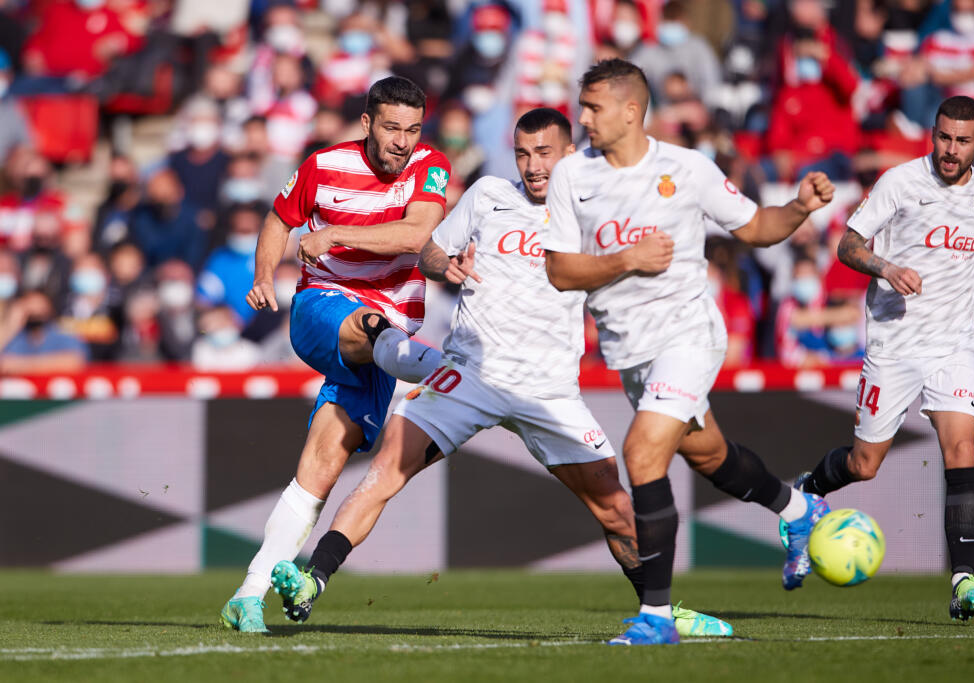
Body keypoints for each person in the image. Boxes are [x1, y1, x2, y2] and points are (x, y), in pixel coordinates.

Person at [264, 107, 733, 638]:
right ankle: (312, 579)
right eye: (523, 154)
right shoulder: (489, 194)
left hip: (548, 388)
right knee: (383, 473)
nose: (533, 167)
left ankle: (661, 612)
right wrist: (445, 265)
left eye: (545, 153)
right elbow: (430, 252)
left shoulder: (596, 214)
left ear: (570, 153)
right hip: (469, 373)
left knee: (617, 510)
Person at [541, 59, 836, 646]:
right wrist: (626, 259)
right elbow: (558, 270)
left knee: (643, 454)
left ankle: (655, 618)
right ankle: (800, 511)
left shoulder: (686, 168)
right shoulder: (571, 175)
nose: (583, 118)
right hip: (630, 351)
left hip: (689, 335)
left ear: (631, 111)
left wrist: (800, 208)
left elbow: (754, 227)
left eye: (594, 108)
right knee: (709, 455)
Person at [219, 76, 451, 633]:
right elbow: (280, 217)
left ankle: (246, 595)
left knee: (320, 469)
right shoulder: (323, 165)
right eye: (391, 127)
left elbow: (415, 234)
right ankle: (449, 371)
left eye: (413, 129)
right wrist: (263, 275)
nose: (402, 141)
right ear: (368, 124)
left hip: (382, 343)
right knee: (375, 328)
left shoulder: (430, 165)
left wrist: (335, 233)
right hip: (324, 309)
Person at [789, 96, 974, 622]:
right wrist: (886, 268)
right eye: (943, 137)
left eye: (961, 141)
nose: (950, 150)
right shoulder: (899, 182)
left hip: (954, 341)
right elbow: (848, 244)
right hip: (894, 341)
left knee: (960, 446)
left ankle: (963, 583)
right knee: (865, 465)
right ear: (933, 134)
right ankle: (806, 490)